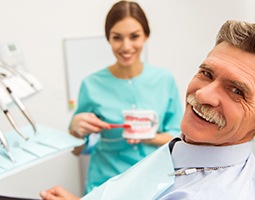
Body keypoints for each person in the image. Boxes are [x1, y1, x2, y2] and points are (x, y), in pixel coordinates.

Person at [40, 19, 255, 200]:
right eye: (206, 73)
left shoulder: (207, 190)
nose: (203, 94)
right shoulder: (192, 147)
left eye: (236, 91)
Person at [67, 0, 183, 195]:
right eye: (117, 37)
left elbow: (179, 138)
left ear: (146, 35)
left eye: (134, 36)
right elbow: (77, 150)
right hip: (105, 185)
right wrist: (75, 132)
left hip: (154, 182)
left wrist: (150, 137)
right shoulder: (91, 84)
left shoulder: (164, 79)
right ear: (108, 39)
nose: (126, 46)